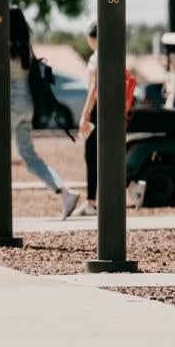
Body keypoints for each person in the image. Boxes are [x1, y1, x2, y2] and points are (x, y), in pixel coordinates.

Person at [0, 8, 81, 221]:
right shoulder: (26, 48)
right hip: (28, 105)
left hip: (10, 104)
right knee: (29, 156)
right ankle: (64, 192)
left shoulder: (2, 47)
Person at [73, 22, 100, 216]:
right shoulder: (114, 54)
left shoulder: (95, 58)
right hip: (112, 112)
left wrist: (85, 114)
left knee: (91, 156)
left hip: (96, 112)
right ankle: (132, 187)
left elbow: (93, 89)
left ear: (93, 38)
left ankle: (91, 202)